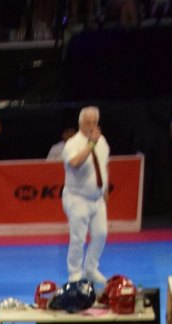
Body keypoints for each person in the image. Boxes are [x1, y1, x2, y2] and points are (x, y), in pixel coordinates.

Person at [62, 106, 109, 286]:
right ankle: (74, 273)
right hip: (77, 198)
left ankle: (90, 268)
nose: (92, 125)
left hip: (97, 198)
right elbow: (75, 163)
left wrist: (105, 191)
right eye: (88, 122)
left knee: (101, 234)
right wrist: (91, 144)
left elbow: (104, 165)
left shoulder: (102, 141)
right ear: (80, 123)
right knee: (78, 238)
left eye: (95, 122)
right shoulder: (72, 144)